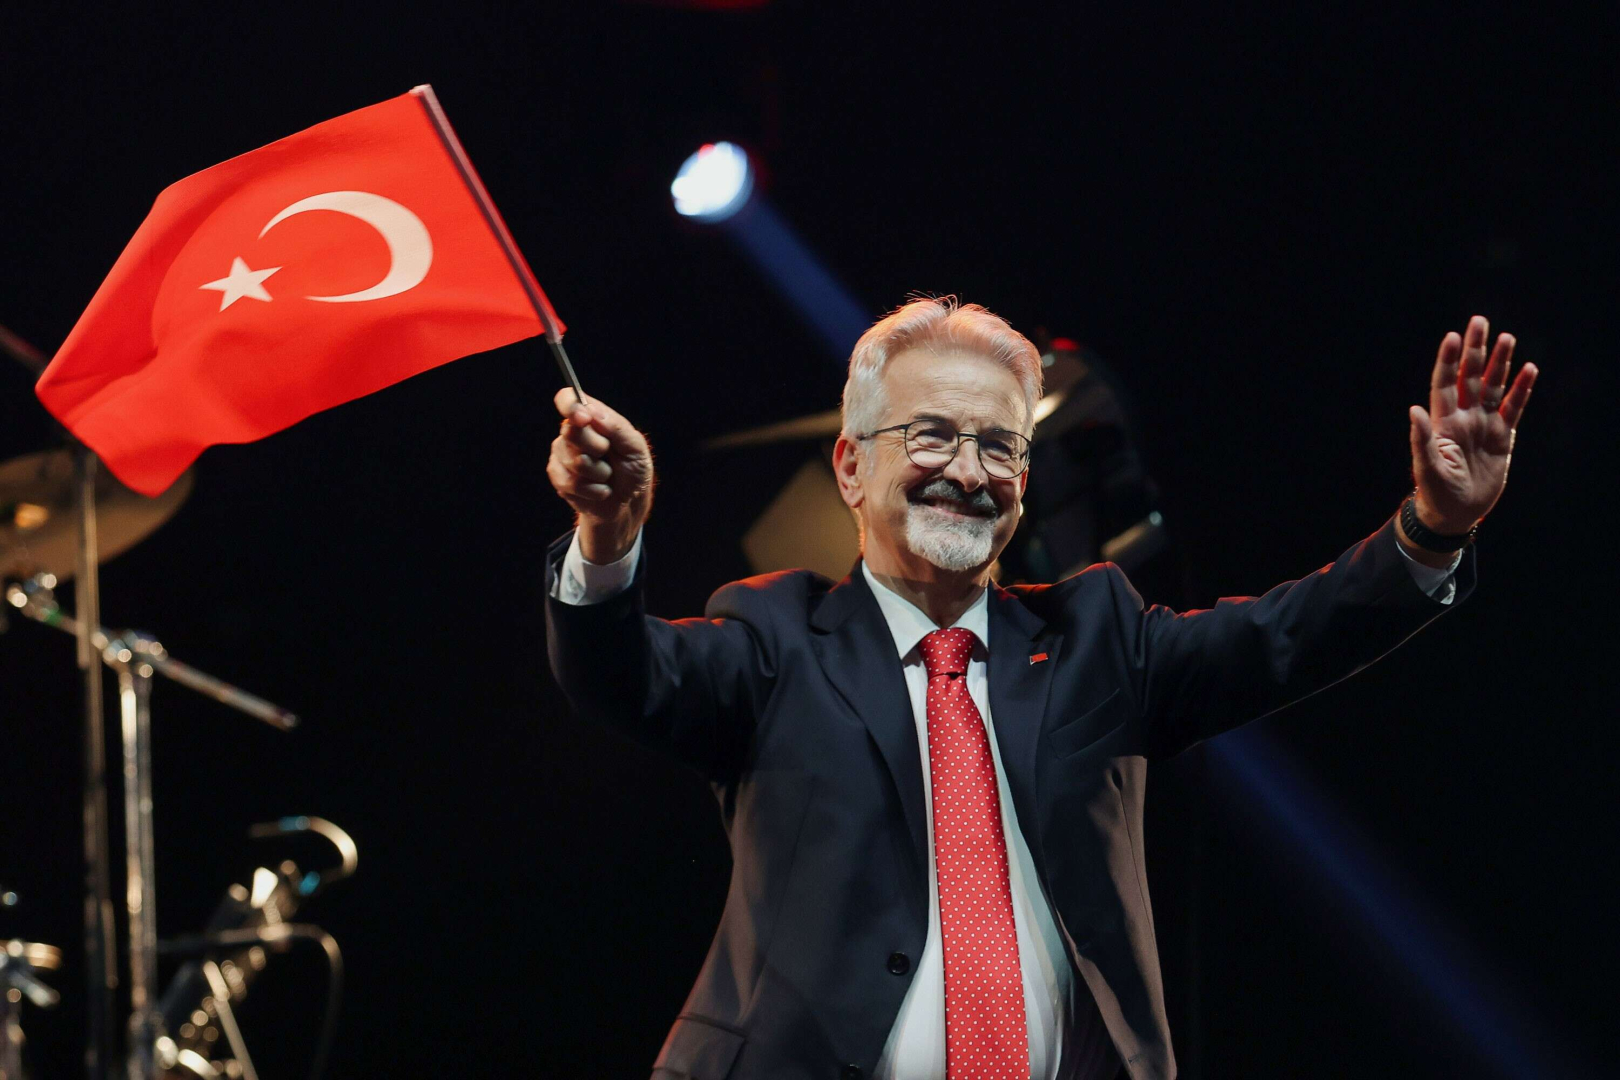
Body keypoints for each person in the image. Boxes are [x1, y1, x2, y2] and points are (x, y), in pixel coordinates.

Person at [542, 297, 1536, 1080]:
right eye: (932, 435)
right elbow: (622, 677)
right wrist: (609, 538)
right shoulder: (774, 642)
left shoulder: (1098, 638)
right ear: (850, 466)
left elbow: (1289, 636)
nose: (969, 472)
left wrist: (1432, 527)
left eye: (1000, 445)